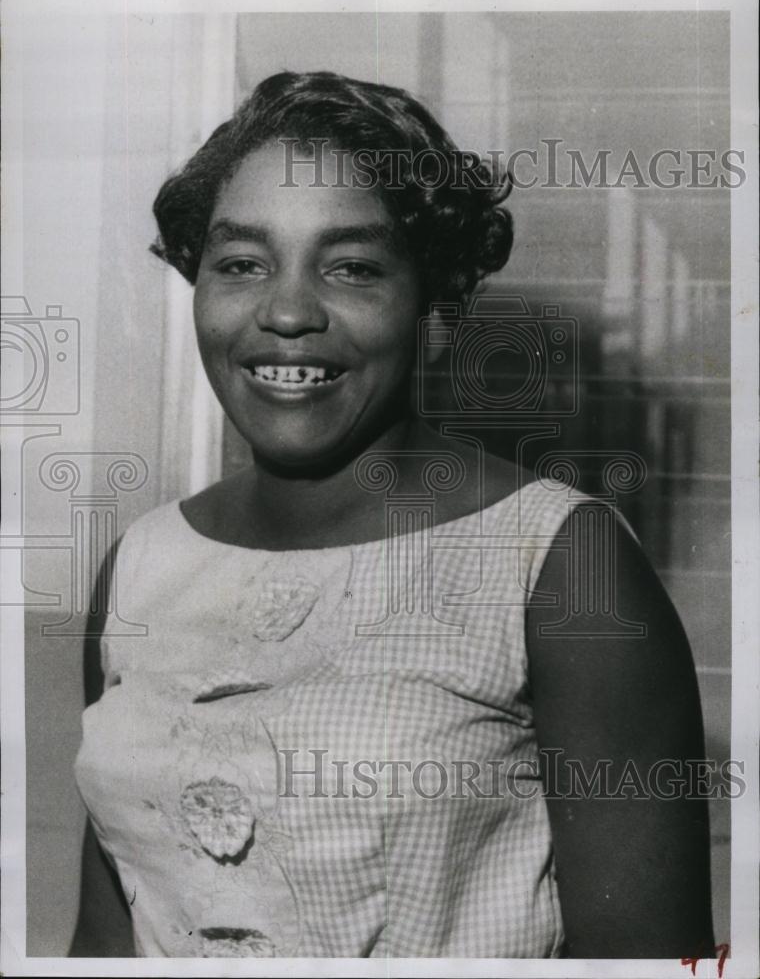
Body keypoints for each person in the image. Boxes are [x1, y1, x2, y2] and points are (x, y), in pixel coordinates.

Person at [70, 71, 714, 959]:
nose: (287, 310)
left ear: (433, 296)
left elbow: (656, 966)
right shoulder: (140, 564)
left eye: (353, 268)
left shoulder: (561, 562)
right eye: (242, 263)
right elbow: (103, 940)